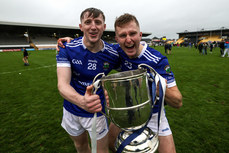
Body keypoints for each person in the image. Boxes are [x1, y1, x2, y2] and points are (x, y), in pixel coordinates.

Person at [57, 13, 183, 153]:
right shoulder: (117, 52)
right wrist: (69, 42)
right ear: (117, 39)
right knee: (112, 146)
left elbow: (178, 102)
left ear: (140, 35)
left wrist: (160, 88)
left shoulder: (157, 61)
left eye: (132, 34)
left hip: (153, 114)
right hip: (128, 112)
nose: (128, 40)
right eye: (123, 36)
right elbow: (95, 46)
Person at [56, 7, 119, 153]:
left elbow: (131, 58)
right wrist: (82, 102)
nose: (93, 27)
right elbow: (62, 84)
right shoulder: (67, 48)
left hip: (97, 112)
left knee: (101, 151)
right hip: (71, 109)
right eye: (88, 22)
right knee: (80, 146)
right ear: (81, 26)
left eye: (98, 22)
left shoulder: (113, 54)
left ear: (104, 27)